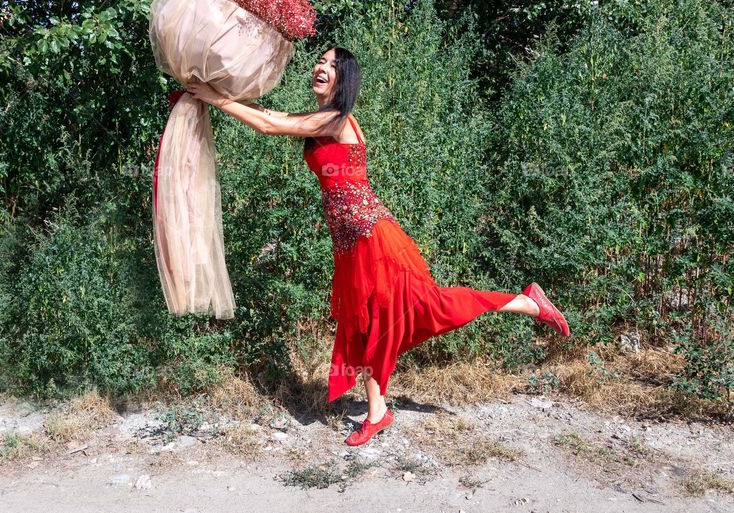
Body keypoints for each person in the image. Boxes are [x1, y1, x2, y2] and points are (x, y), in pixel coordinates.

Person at [183, 47, 570, 446]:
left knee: (431, 305)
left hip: (373, 237)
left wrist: (211, 96)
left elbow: (267, 125)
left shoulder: (336, 119)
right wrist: (212, 88)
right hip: (351, 243)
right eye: (321, 61)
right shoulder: (321, 119)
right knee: (364, 323)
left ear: (343, 78)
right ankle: (378, 413)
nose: (321, 67)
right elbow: (275, 117)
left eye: (332, 65)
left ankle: (528, 302)